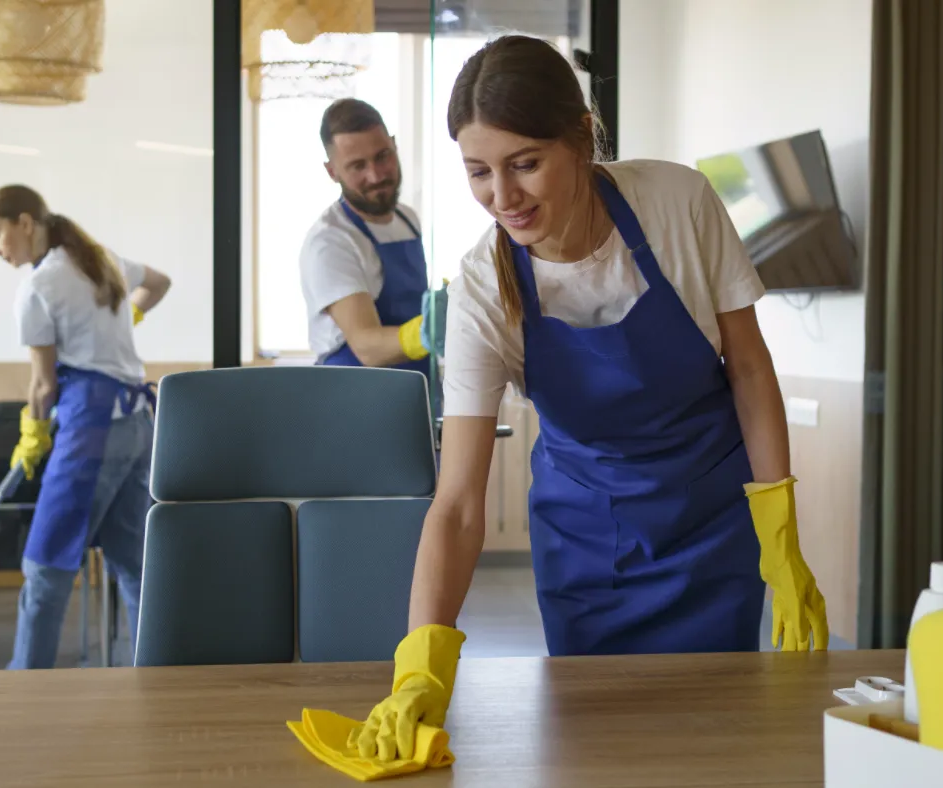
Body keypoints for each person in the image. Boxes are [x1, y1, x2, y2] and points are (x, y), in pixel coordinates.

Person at [345, 36, 830, 760]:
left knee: (714, 744)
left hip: (711, 525)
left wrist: (780, 536)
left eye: (525, 164)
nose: (501, 198)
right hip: (586, 544)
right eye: (478, 172)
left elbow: (749, 369)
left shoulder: (675, 203)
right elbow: (459, 505)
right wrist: (419, 665)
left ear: (580, 136)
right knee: (598, 749)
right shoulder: (482, 289)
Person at [0, 184, 171, 669]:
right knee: (133, 562)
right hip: (139, 424)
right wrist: (126, 318)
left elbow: (43, 387)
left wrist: (33, 435)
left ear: (26, 223)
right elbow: (161, 281)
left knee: (46, 563)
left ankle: (27, 682)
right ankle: (151, 674)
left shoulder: (39, 288)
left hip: (91, 431)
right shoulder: (99, 258)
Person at [299, 98, 448, 401]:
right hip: (354, 402)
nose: (376, 175)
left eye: (383, 156)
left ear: (393, 145)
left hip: (415, 391)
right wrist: (430, 331)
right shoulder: (331, 242)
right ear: (332, 171)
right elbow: (366, 345)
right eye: (357, 166)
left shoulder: (408, 219)